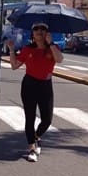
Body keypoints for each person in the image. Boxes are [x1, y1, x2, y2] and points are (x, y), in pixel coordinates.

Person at [7, 22, 64, 163]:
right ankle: (32, 148)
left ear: (47, 33)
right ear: (32, 34)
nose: (40, 31)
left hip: (45, 85)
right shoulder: (28, 49)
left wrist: (51, 44)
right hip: (29, 85)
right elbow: (14, 66)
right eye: (36, 29)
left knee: (47, 119)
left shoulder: (53, 48)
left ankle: (37, 136)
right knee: (30, 117)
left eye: (43, 29)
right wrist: (12, 50)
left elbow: (60, 59)